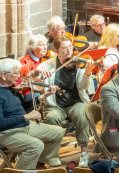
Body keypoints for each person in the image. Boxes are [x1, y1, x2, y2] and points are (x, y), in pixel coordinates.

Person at [0, 58, 65, 169]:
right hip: (3, 133)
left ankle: (40, 163)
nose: (19, 77)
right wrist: (26, 117)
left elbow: (24, 106)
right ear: (4, 75)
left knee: (58, 132)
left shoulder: (9, 87)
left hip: (23, 126)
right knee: (36, 145)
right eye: (16, 74)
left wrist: (44, 96)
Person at [38, 37, 96, 167]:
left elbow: (85, 88)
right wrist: (36, 71)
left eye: (71, 46)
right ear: (56, 50)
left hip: (76, 102)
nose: (69, 50)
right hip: (55, 105)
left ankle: (84, 153)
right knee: (51, 119)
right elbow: (33, 78)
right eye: (65, 47)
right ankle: (51, 155)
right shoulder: (47, 65)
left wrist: (87, 74)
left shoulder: (79, 64)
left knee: (83, 114)